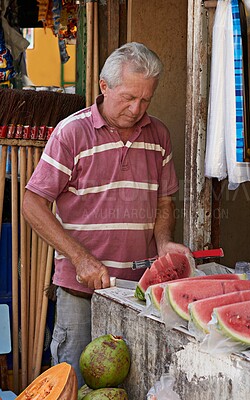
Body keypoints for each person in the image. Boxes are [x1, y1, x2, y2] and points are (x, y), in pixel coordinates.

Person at [22, 42, 191, 386]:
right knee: (75, 384)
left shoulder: (158, 134)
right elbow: (32, 203)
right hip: (81, 292)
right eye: (128, 97)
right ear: (104, 86)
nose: (136, 108)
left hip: (137, 291)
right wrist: (79, 258)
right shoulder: (72, 132)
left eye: (146, 99)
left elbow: (164, 202)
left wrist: (164, 244)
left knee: (131, 387)